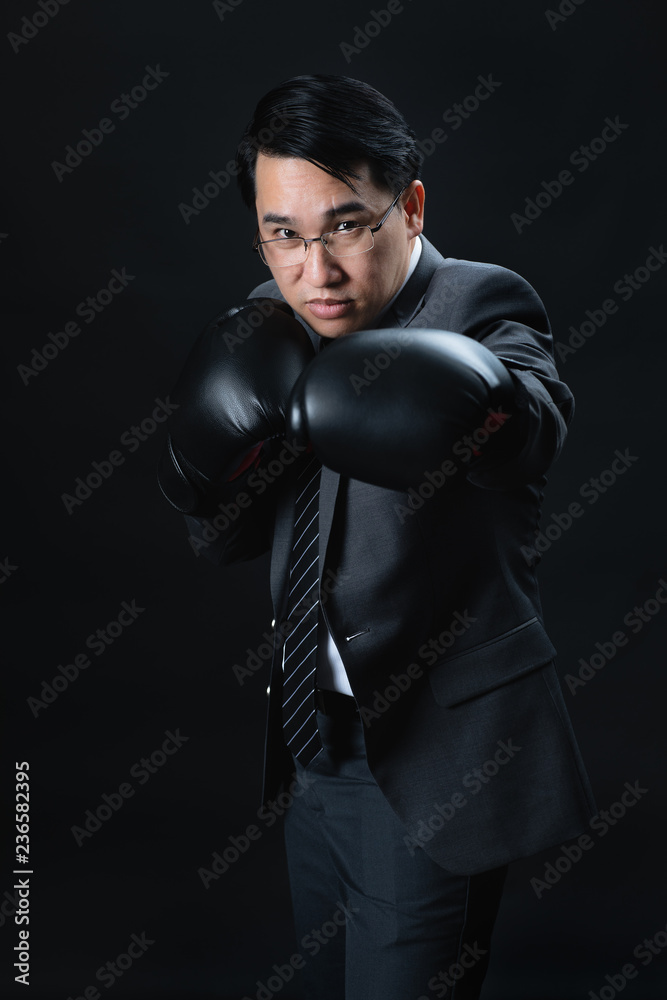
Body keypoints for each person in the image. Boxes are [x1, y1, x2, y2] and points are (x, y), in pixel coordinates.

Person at [158, 74, 596, 999]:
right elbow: (230, 542)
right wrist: (208, 460)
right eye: (285, 234)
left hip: (433, 756)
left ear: (411, 207)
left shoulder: (481, 305)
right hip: (312, 743)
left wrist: (481, 405)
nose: (316, 270)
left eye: (347, 225)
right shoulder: (275, 326)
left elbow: (531, 429)